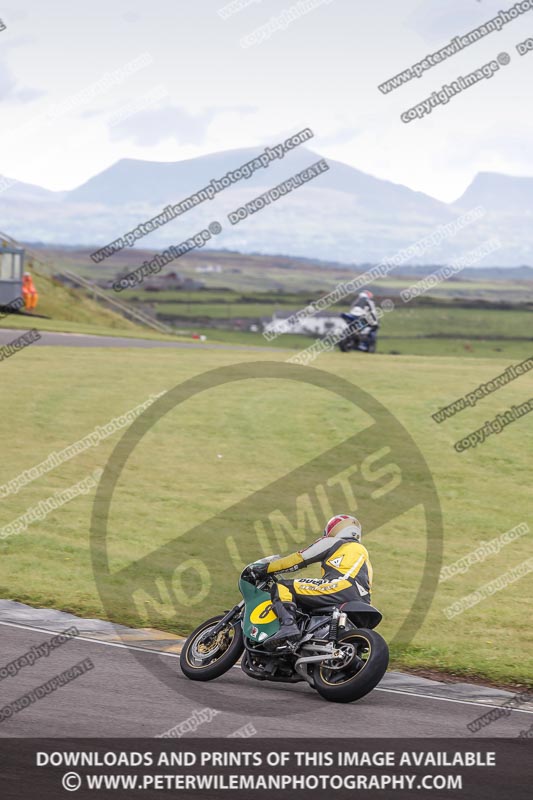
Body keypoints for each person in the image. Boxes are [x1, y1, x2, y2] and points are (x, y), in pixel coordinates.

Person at [249, 514, 373, 649]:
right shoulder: (363, 554)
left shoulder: (335, 542)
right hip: (363, 601)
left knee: (283, 587)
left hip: (340, 587)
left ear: (334, 529)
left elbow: (299, 558)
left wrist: (266, 569)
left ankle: (288, 626)